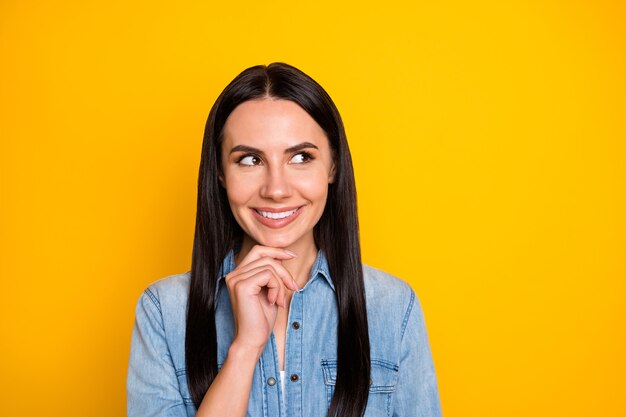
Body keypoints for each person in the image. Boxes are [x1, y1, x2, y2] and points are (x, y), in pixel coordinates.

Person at [127, 62, 442, 417]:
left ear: (333, 166)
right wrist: (245, 349)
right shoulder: (164, 312)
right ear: (219, 172)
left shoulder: (393, 307)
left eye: (300, 157)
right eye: (249, 159)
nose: (276, 189)